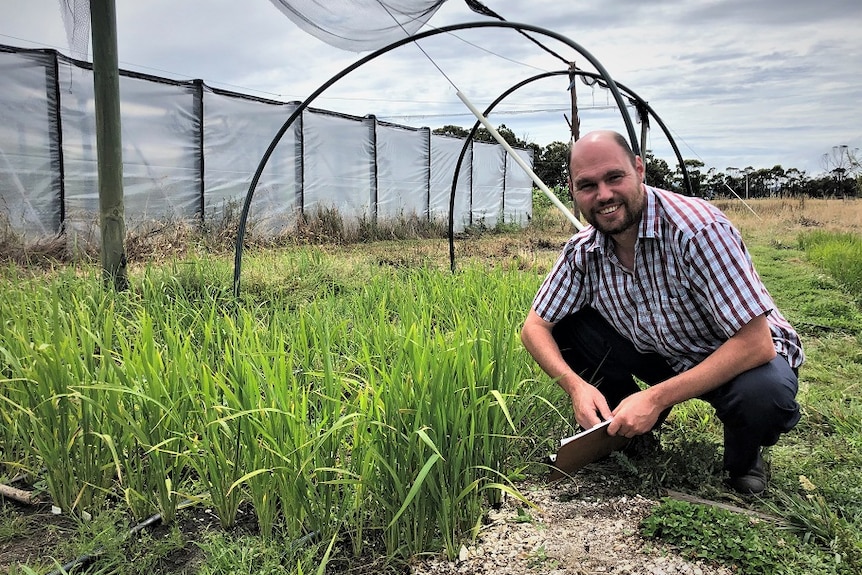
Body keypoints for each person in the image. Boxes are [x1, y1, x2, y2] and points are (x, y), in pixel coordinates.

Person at [520, 130, 804, 494]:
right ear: (573, 193)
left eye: (614, 177)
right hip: (664, 352)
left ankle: (745, 460)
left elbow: (755, 345)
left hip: (735, 357)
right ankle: (623, 429)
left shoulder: (697, 230)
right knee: (565, 328)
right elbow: (534, 327)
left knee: (764, 397)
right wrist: (575, 386)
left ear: (639, 169)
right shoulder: (583, 250)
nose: (603, 195)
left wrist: (655, 397)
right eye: (587, 185)